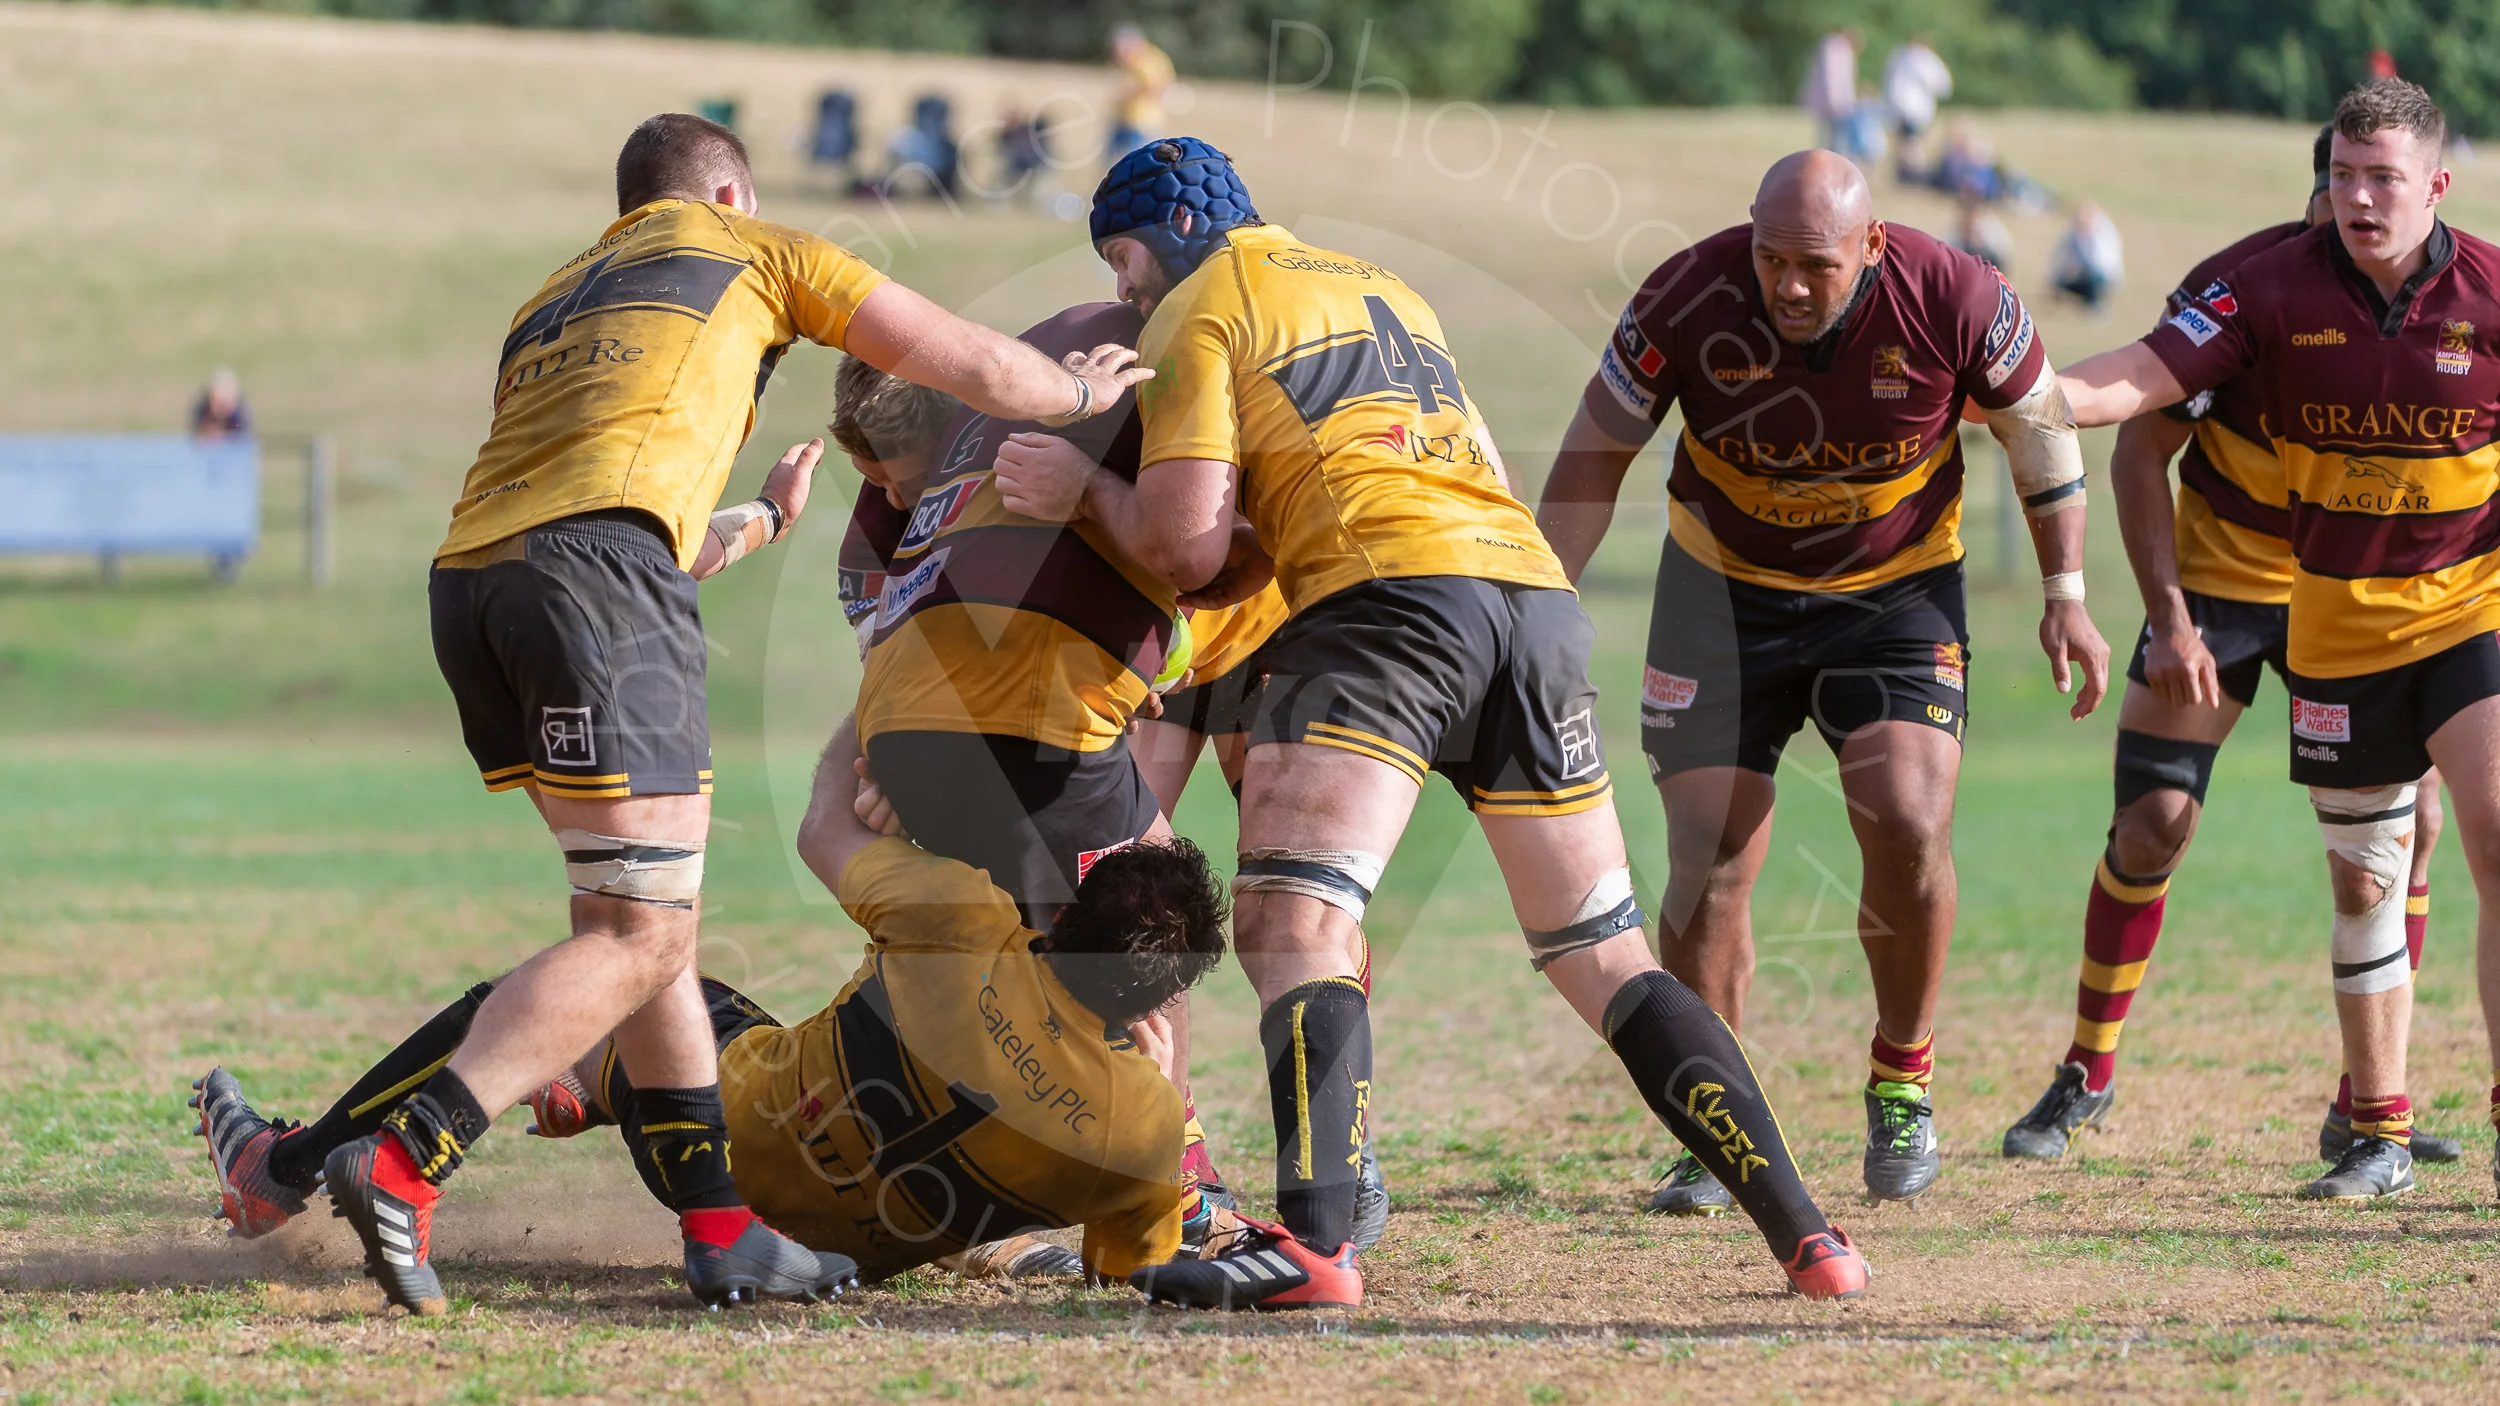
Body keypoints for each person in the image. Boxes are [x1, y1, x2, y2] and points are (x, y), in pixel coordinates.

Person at [189, 112, 1150, 1316]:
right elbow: (962, 359)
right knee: (636, 934)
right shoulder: (756, 251)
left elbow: (618, 517)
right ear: (731, 192)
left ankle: (718, 1229)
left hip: (477, 586)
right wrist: (1077, 388)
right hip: (598, 584)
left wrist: (761, 519)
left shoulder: (556, 299)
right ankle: (398, 1157)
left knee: (649, 925)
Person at [1001, 137, 1869, 1308]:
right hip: (1529, 603)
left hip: (1384, 611)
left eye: (1122, 258)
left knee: (1289, 924)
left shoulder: (1201, 303)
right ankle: (1810, 1238)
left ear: (1162, 234)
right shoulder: (1379, 284)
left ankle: (1315, 1243)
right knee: (1603, 951)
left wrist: (1080, 490)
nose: (1122, 289)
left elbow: (1183, 547)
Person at [1535, 150, 2108, 1217]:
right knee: (1705, 864)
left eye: (1815, 266)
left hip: (1893, 597)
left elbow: (2040, 429)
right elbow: (1590, 455)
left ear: (1872, 246)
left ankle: (1902, 1078)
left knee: (1904, 817)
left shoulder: (1956, 293)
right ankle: (1719, 1124)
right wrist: (1537, 609)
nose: (1788, 286)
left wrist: (2065, 592)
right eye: (1770, 258)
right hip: (1720, 597)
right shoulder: (1686, 295)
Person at [191, 715, 1229, 1288]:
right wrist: (1157, 1075)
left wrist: (880, 714)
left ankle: (277, 1168)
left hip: (708, 1150)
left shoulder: (967, 919)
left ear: (1069, 907)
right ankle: (579, 1080)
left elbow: (825, 821)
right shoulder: (1142, 1136)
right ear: (1166, 994)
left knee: (607, 972)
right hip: (833, 1253)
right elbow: (1129, 1270)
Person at [2056, 78, 2500, 1200]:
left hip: (2441, 606)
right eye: (2340, 180)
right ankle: (2352, 1122)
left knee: (2468, 833)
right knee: (2247, 848)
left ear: (2431, 187)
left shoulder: (2483, 293)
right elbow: (2131, 409)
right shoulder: (2253, 288)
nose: (2353, 202)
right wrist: (2020, 386)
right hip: (2275, 600)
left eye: (2380, 180)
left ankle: (2422, 1110)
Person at [1882, 36, 1952, 168]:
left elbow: (1941, 84)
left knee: (1909, 142)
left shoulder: (1917, 59)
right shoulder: (1904, 57)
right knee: (1907, 142)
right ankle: (1909, 169)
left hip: (1913, 110)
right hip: (1908, 110)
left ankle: (1911, 169)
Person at [1106, 26, 1173, 160]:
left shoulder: (1148, 61)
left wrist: (1131, 92)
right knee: (1113, 158)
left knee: (1135, 160)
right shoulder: (1135, 60)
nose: (1118, 56)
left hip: (1142, 122)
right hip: (1126, 118)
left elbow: (1157, 86)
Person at [2050, 201, 2124, 313]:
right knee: (2061, 282)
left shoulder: (2103, 235)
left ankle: (2096, 304)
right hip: (2080, 276)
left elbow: (2104, 264)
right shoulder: (2074, 234)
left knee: (2092, 276)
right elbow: (2061, 257)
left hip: (2101, 277)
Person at [1799, 29, 1861, 156]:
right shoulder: (1838, 51)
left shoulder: (1829, 48)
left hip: (1829, 101)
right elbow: (1834, 78)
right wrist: (1835, 99)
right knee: (1836, 139)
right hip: (1837, 102)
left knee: (1826, 136)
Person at [190, 368, 250, 440]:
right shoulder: (202, 410)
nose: (222, 409)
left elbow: (244, 440)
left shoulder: (240, 415)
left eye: (225, 403)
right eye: (218, 403)